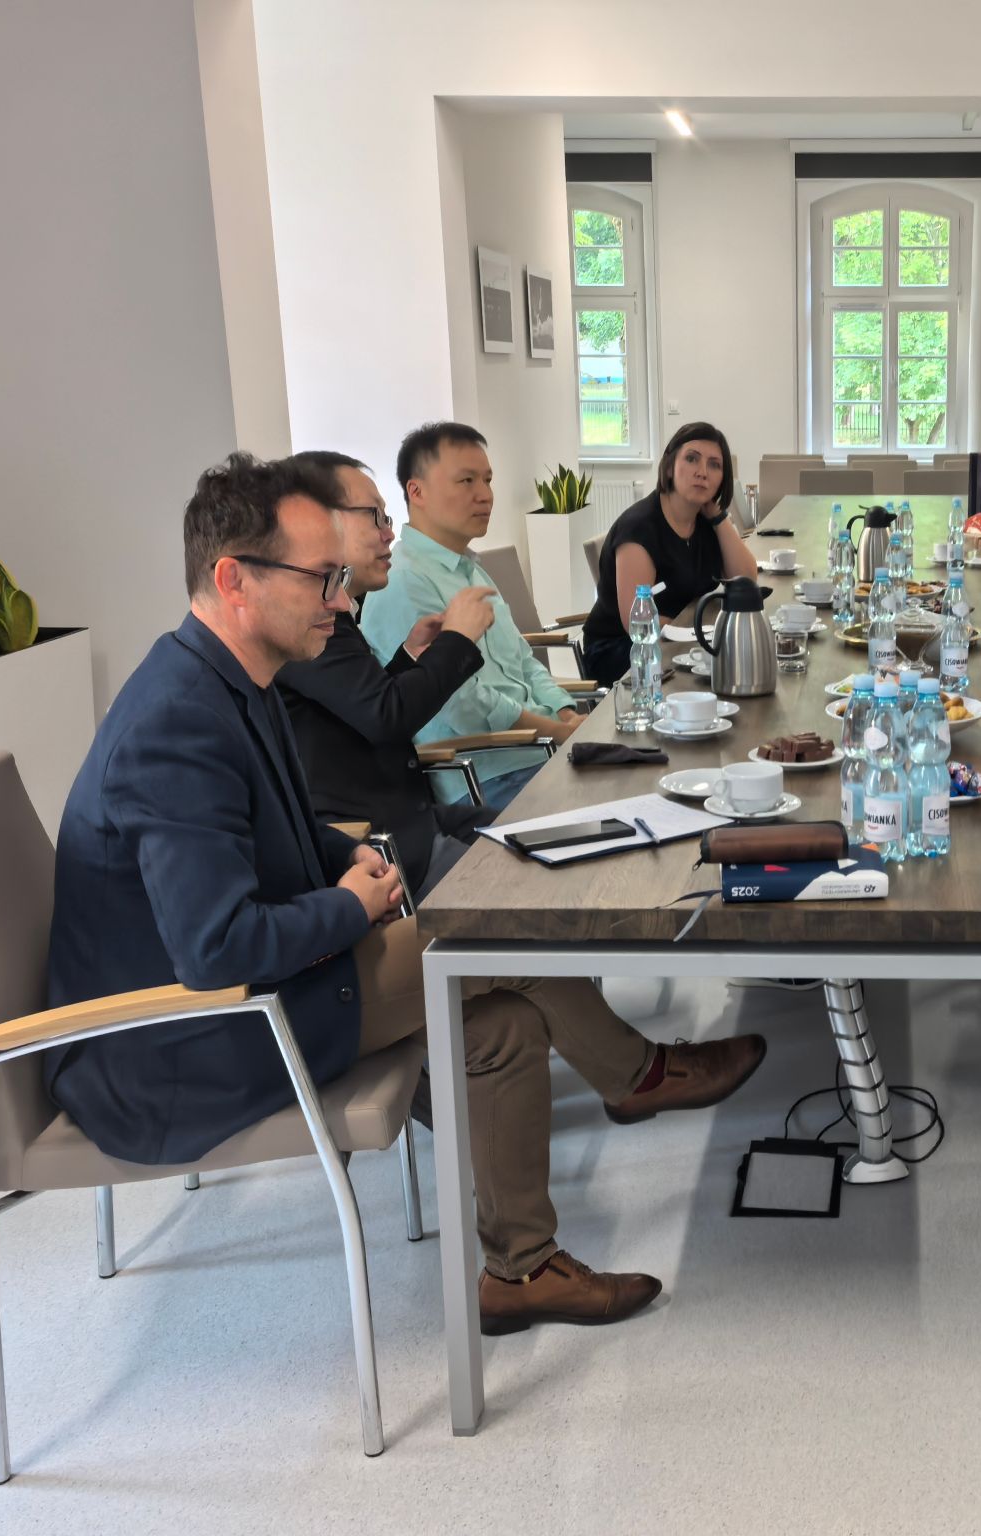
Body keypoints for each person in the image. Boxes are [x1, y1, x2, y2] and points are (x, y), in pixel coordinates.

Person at [45, 453, 767, 1336]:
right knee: (500, 934)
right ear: (233, 580)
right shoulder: (176, 725)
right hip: (176, 1049)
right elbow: (214, 949)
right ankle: (636, 1077)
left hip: (244, 1000)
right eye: (321, 579)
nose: (341, 601)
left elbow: (278, 827)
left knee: (502, 1029)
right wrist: (351, 907)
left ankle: (521, 1270)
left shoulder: (231, 678)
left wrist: (353, 859)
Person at [276, 450, 529, 897]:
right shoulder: (305, 622)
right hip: (382, 849)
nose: (388, 532)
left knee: (537, 837)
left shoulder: (337, 616)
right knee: (536, 881)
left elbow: (358, 706)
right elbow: (385, 715)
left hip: (414, 817)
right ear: (317, 521)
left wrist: (409, 657)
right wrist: (457, 640)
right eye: (374, 516)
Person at [359, 422, 586, 747]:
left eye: (487, 480)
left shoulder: (470, 569)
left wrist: (566, 714)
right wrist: (557, 731)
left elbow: (523, 659)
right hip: (494, 764)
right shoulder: (404, 582)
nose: (485, 495)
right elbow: (462, 706)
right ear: (417, 491)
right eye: (467, 481)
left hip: (543, 744)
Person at [579, 421, 758, 684]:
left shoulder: (705, 522)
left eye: (714, 465)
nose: (702, 472)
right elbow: (637, 623)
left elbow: (746, 581)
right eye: (692, 459)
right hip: (623, 650)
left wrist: (718, 517)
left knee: (741, 664)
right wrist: (697, 634)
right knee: (724, 669)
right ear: (669, 467)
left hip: (682, 638)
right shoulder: (639, 529)